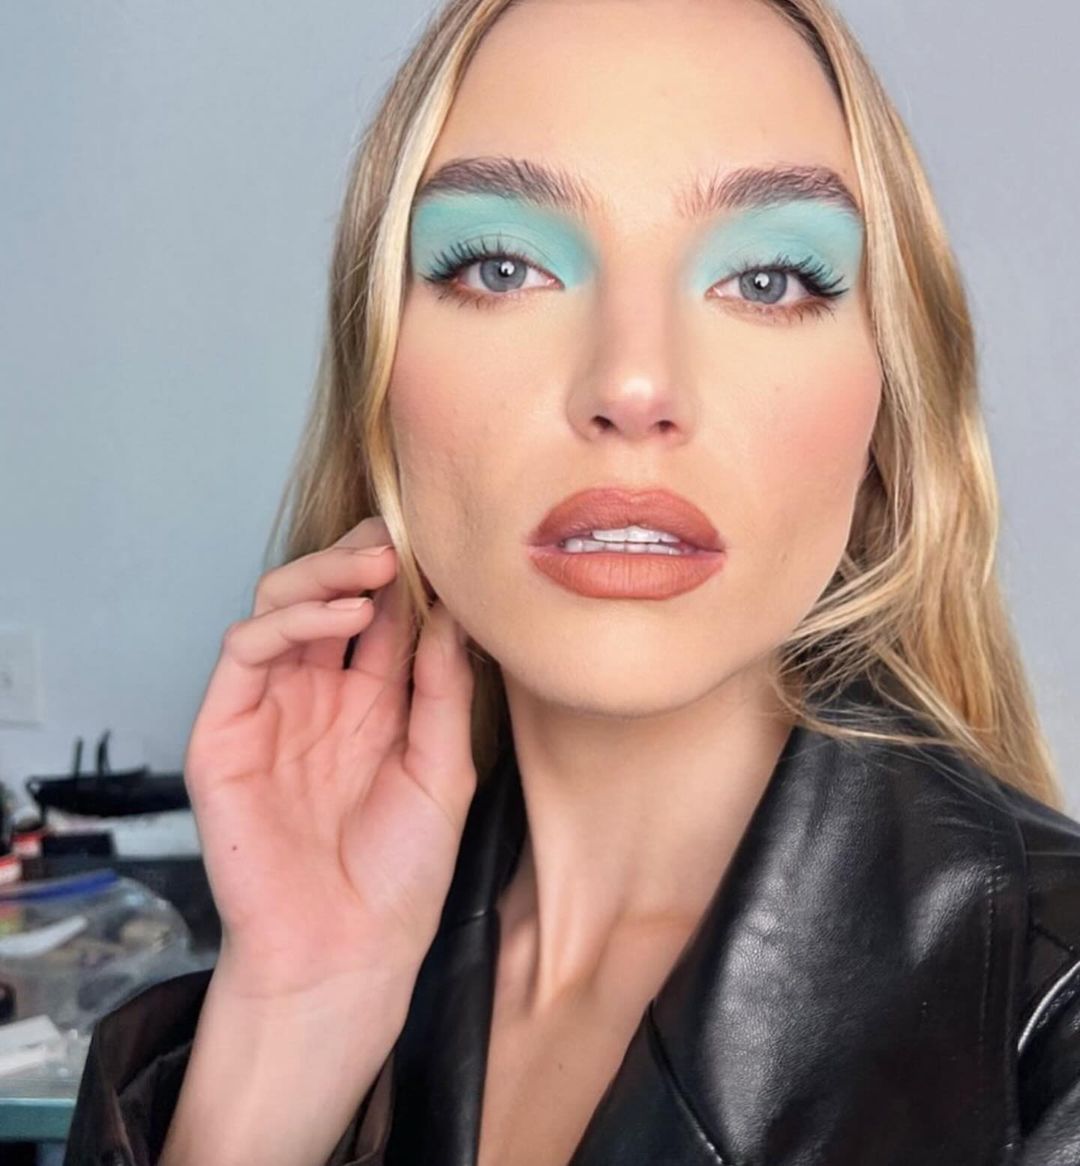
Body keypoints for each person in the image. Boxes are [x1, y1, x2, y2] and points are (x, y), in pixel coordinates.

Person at [62, 0, 1080, 1163]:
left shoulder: (1054, 1042)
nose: (633, 384)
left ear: (887, 405)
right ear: (380, 376)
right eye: (503, 265)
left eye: (767, 279)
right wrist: (293, 1016)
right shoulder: (339, 951)